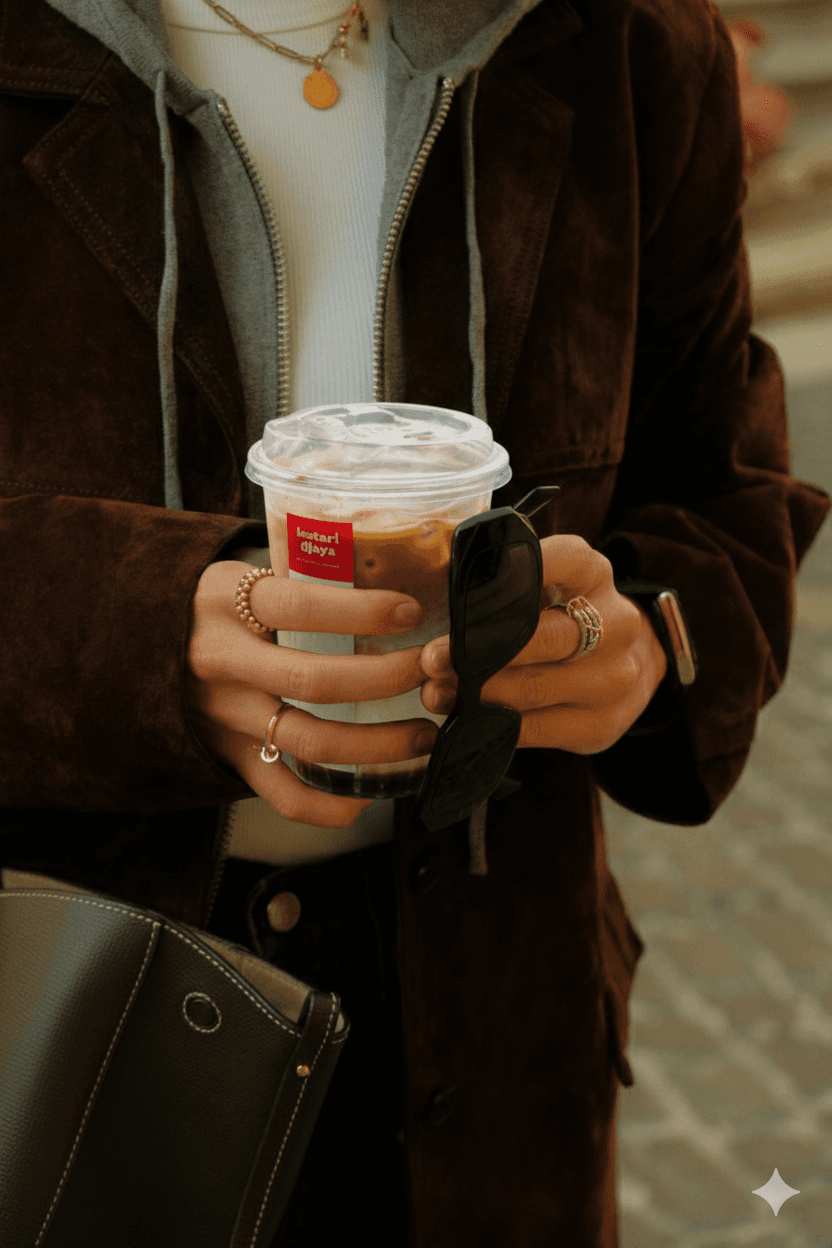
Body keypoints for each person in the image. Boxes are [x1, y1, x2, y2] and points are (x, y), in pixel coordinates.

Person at [0, 0, 828, 1245]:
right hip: (50, 1025)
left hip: (491, 1058)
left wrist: (649, 639)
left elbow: (726, 489)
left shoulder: (627, 47)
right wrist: (131, 639)